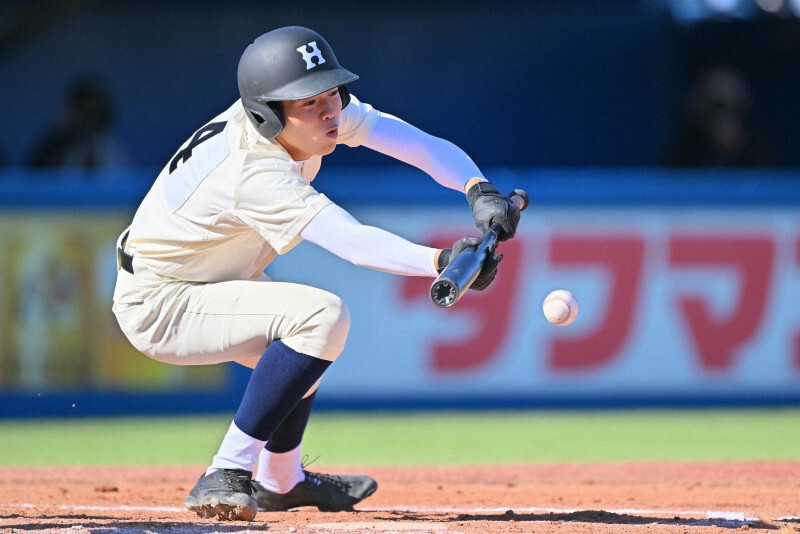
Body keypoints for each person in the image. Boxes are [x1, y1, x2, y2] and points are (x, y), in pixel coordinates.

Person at [112, 26, 519, 522]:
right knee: (319, 318)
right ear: (267, 112)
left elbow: (413, 142)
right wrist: (440, 263)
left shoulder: (297, 121)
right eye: (310, 101)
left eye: (333, 93)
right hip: (161, 299)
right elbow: (352, 243)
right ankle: (226, 470)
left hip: (206, 278)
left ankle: (281, 481)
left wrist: (478, 188)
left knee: (302, 346)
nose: (330, 110)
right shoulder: (253, 167)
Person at [663, 65, 776, 168]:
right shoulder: (686, 145)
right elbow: (673, 178)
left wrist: (737, 147)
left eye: (725, 105)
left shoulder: (757, 145)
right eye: (715, 105)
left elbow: (767, 178)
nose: (722, 115)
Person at [28, 78, 131, 170]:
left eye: (95, 113)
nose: (89, 119)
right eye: (85, 111)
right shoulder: (55, 148)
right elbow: (33, 178)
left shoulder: (113, 151)